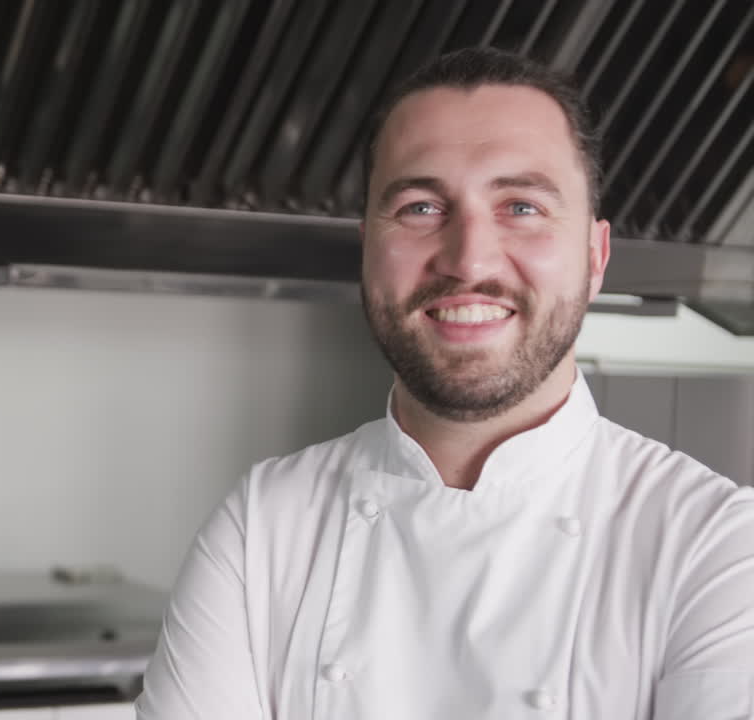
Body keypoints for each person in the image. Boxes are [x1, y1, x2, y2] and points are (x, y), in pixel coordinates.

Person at [135, 47, 754, 719]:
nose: (469, 260)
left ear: (595, 256)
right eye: (422, 207)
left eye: (521, 206)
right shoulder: (265, 525)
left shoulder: (712, 546)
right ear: (368, 248)